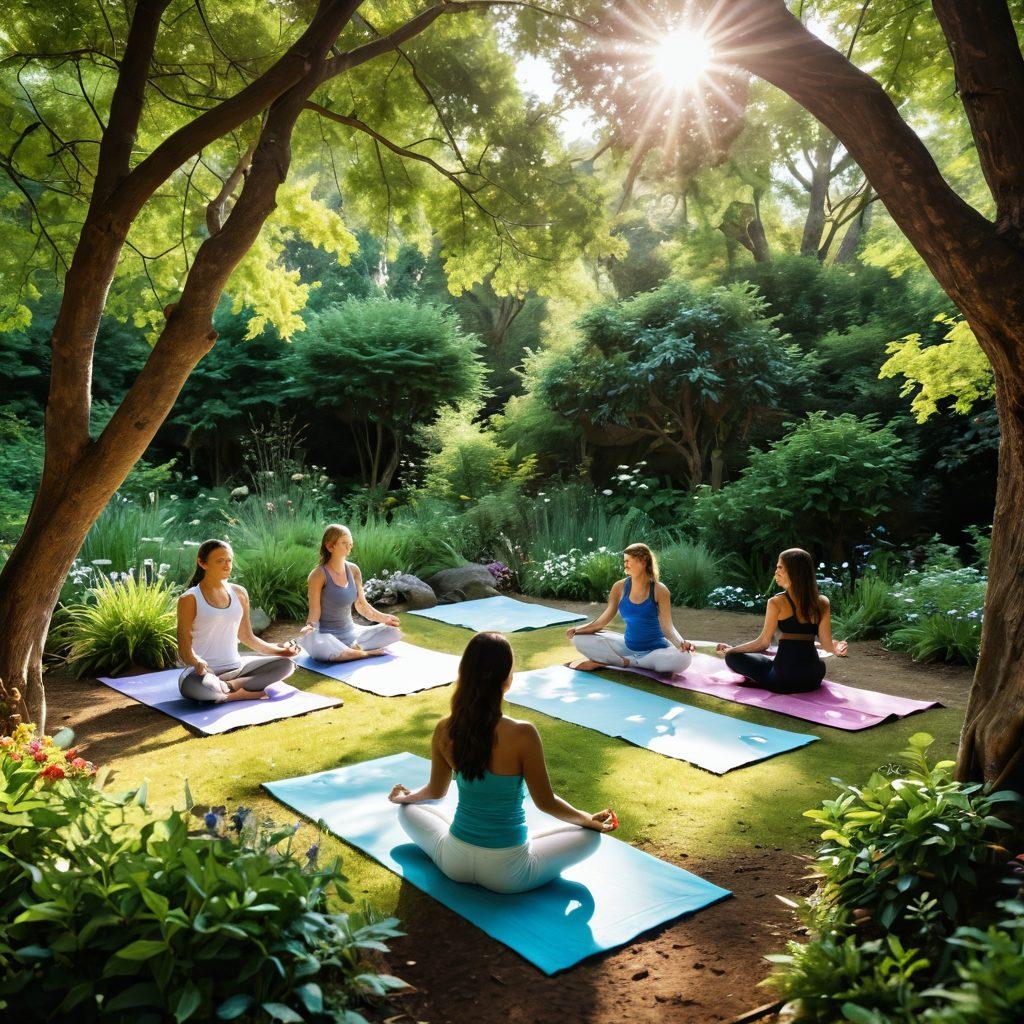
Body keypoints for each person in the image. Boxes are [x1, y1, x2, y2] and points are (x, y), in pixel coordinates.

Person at [389, 632, 616, 894]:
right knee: (589, 837)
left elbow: (435, 792)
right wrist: (587, 819)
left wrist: (406, 798)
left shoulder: (445, 728)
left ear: (465, 673)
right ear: (507, 678)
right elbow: (546, 802)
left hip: (455, 863)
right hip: (510, 873)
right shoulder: (523, 733)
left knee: (408, 811)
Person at [176, 539, 299, 702]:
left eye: (229, 560)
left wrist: (282, 652)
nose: (227, 565)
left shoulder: (239, 593)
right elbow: (184, 646)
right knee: (196, 687)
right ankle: (241, 691)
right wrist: (196, 661)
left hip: (237, 668)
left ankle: (231, 689)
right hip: (204, 673)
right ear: (202, 563)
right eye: (220, 561)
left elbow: (247, 637)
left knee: (286, 665)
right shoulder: (189, 598)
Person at [715, 547, 849, 694]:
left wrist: (731, 650)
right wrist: (836, 649)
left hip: (783, 680)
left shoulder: (776, 602)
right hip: (813, 678)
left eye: (780, 567)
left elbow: (763, 643)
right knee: (814, 663)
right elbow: (827, 645)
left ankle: (757, 670)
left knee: (733, 657)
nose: (775, 571)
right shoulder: (822, 602)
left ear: (793, 571)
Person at [567, 542, 694, 675]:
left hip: (656, 651)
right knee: (579, 639)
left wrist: (680, 643)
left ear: (643, 561)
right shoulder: (619, 587)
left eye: (628, 561)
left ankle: (624, 662)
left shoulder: (659, 590)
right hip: (627, 646)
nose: (625, 564)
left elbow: (668, 628)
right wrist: (577, 630)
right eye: (624, 561)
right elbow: (602, 622)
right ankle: (627, 660)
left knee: (683, 658)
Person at [300, 524, 403, 662]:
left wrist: (384, 618)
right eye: (344, 543)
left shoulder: (354, 570)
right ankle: (366, 653)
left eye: (350, 543)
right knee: (313, 640)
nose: (349, 547)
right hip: (328, 637)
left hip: (352, 634)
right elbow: (314, 612)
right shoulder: (318, 575)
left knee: (393, 632)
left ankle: (349, 651)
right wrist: (310, 630)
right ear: (330, 546)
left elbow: (361, 605)